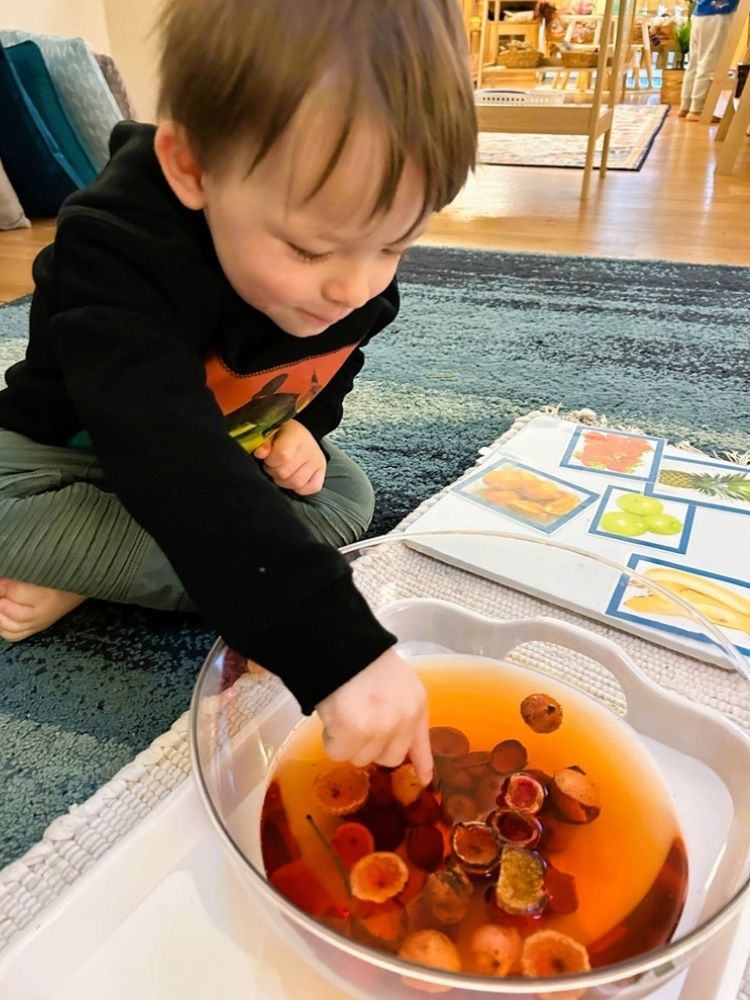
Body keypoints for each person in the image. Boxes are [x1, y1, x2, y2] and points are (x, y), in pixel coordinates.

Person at [0, 0, 477, 784]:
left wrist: (306, 428)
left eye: (395, 242)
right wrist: (331, 646)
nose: (353, 286)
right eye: (310, 246)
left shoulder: (352, 276)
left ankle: (93, 563)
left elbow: (329, 367)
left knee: (345, 497)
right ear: (192, 168)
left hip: (216, 452)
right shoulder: (113, 250)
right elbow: (166, 452)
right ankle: (117, 557)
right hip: (61, 451)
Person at [680, 0, 740, 120]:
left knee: (695, 63)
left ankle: (686, 105)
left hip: (701, 13)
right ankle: (697, 109)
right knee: (708, 63)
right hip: (718, 13)